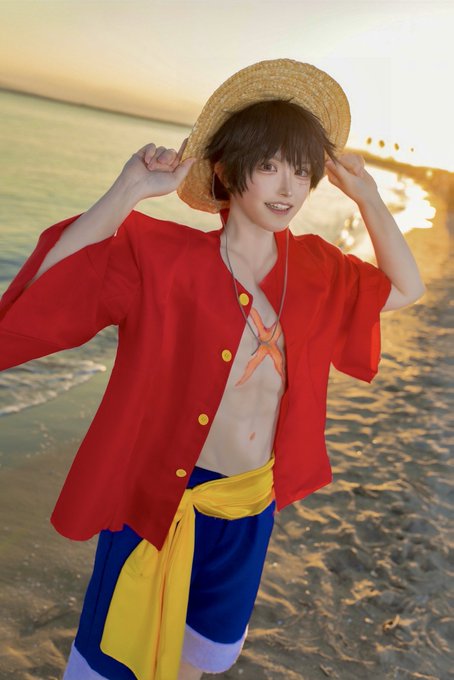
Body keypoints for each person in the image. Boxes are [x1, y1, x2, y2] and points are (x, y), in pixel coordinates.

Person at [0, 59, 424, 680]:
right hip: (158, 503)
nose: (287, 187)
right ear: (226, 171)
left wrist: (368, 196)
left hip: (249, 508)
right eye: (270, 165)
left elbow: (405, 288)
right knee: (113, 664)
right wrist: (127, 191)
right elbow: (51, 285)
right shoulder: (163, 258)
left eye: (301, 170)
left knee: (196, 663)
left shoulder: (317, 268)